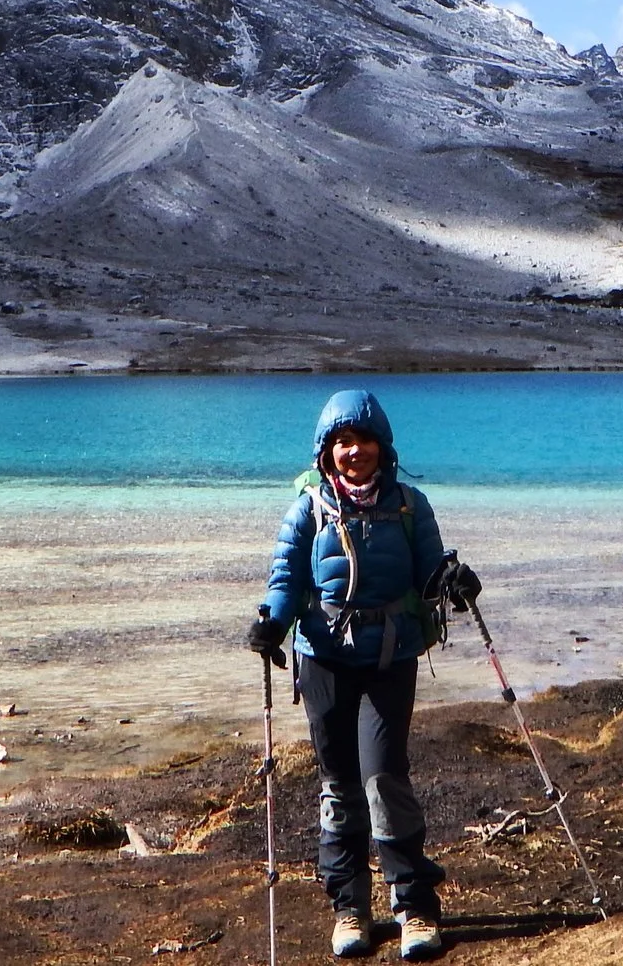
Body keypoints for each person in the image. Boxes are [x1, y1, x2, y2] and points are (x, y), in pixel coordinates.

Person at [247, 390, 481, 962]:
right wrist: (271, 623)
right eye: (343, 442)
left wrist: (453, 579)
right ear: (326, 452)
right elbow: (286, 578)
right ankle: (349, 908)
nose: (355, 451)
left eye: (364, 440)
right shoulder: (308, 509)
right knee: (339, 784)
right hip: (324, 661)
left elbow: (430, 571)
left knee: (384, 778)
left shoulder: (409, 505)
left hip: (389, 660)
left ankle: (415, 907)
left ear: (383, 445)